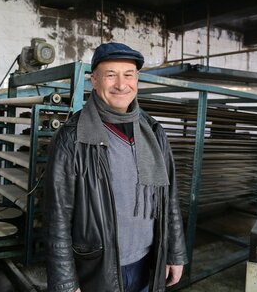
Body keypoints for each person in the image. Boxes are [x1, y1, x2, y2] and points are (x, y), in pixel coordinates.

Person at [44, 42, 187, 292]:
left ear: (137, 79)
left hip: (148, 263)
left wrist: (175, 252)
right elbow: (57, 217)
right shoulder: (72, 138)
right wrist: (66, 283)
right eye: (111, 75)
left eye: (128, 74)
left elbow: (169, 198)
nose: (121, 84)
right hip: (98, 270)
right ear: (94, 81)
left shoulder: (153, 132)